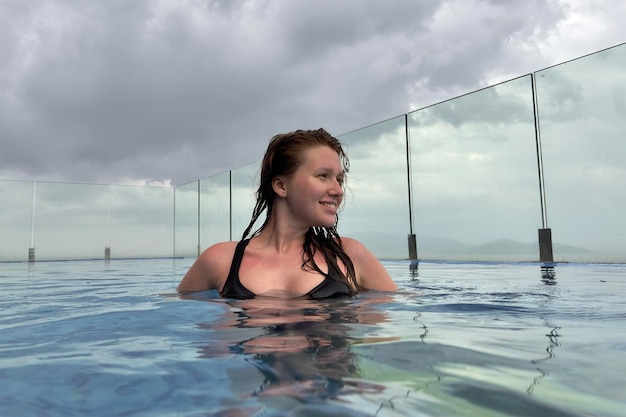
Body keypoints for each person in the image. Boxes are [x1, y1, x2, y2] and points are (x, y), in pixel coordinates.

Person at [177, 128, 397, 298]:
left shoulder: (349, 255)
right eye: (323, 176)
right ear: (281, 186)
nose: (338, 191)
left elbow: (392, 335)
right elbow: (179, 326)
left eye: (339, 179)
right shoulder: (219, 260)